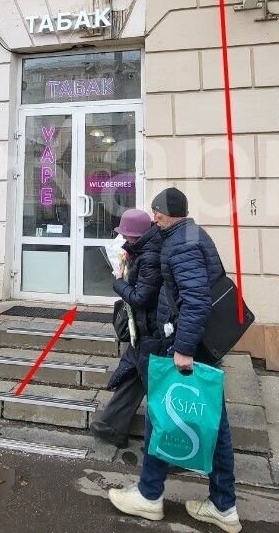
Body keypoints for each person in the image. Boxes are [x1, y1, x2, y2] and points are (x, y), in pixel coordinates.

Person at [108, 187, 241, 533]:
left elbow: (195, 299)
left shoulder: (181, 244)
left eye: (156, 213)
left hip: (188, 344)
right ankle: (222, 504)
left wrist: (183, 349)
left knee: (162, 413)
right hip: (198, 341)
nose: (154, 219)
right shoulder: (189, 233)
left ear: (163, 214)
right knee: (213, 423)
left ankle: (150, 495)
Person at [90, 208, 163, 448]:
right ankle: (111, 426)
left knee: (149, 381)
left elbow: (142, 298)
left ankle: (166, 444)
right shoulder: (145, 249)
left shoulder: (150, 256)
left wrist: (119, 282)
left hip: (153, 329)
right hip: (147, 329)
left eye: (127, 234)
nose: (124, 237)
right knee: (133, 372)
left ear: (137, 235)